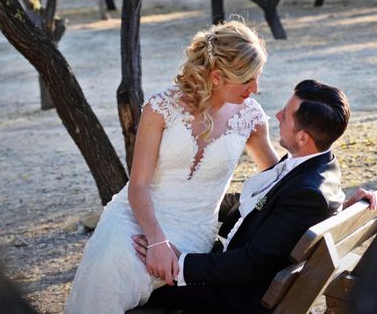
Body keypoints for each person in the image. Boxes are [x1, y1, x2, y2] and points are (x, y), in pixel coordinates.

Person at [65, 21, 278, 313]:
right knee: (111, 263)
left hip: (192, 231)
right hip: (136, 217)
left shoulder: (251, 118)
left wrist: (338, 199)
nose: (256, 89)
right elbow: (138, 184)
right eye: (247, 80)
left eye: (258, 77)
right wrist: (156, 240)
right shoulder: (160, 108)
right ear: (217, 77)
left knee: (130, 271)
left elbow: (280, 177)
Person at [133, 79, 377, 313]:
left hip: (237, 296)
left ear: (303, 137)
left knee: (134, 280)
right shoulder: (321, 167)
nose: (278, 116)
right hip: (238, 275)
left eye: (286, 114)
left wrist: (181, 262)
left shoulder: (307, 194)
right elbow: (276, 215)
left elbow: (251, 263)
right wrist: (345, 207)